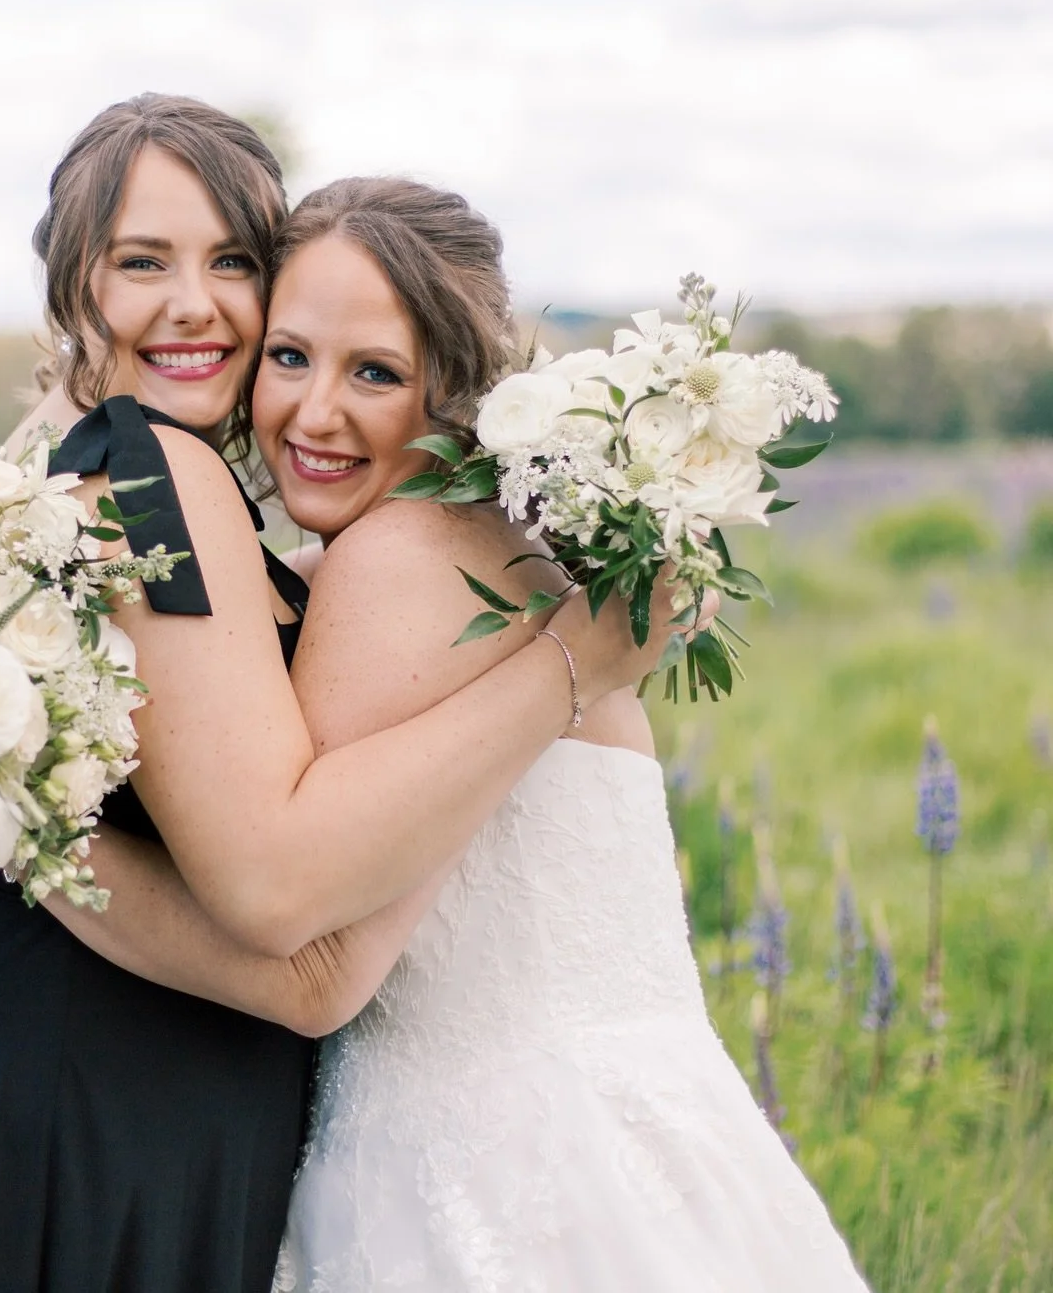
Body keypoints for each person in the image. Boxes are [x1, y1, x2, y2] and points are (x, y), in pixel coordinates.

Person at [0, 96, 676, 1293]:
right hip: (75, 1120)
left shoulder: (60, 471)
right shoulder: (157, 472)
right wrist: (580, 662)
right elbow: (286, 914)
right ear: (73, 285)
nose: (195, 303)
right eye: (141, 260)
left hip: (45, 1091)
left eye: (234, 262)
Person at [47, 174, 871, 1292]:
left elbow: (310, 956)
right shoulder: (491, 543)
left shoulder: (401, 556)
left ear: (456, 395)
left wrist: (21, 818)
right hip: (645, 1141)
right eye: (289, 356)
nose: (315, 413)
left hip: (492, 1174)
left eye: (375, 373)